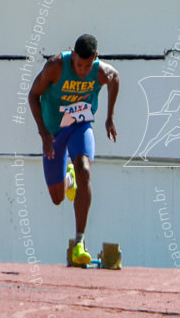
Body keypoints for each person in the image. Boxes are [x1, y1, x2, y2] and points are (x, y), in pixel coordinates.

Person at [29, 34, 119, 264]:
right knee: (57, 198)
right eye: (79, 64)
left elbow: (115, 78)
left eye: (87, 66)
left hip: (80, 125)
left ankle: (80, 241)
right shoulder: (56, 66)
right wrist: (43, 132)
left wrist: (109, 117)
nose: (82, 70)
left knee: (85, 169)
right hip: (54, 132)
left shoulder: (100, 71)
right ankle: (68, 179)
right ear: (73, 56)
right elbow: (33, 95)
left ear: (95, 58)